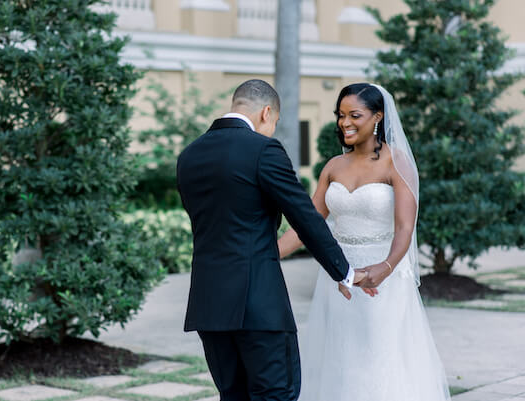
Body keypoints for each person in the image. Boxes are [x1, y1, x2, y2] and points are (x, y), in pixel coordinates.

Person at [177, 79, 367, 401]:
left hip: (208, 305)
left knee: (233, 395)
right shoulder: (263, 150)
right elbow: (305, 216)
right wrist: (345, 272)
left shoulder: (189, 155)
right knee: (277, 394)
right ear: (267, 113)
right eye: (274, 123)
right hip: (259, 305)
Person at [278, 83, 451, 401]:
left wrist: (385, 267)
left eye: (354, 115)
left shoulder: (395, 162)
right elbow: (308, 226)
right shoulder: (332, 166)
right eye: (340, 115)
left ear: (377, 117)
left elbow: (404, 227)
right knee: (342, 355)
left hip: (383, 274)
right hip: (339, 276)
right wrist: (265, 254)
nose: (345, 122)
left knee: (378, 354)